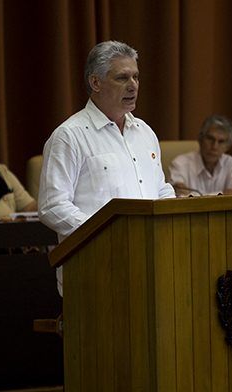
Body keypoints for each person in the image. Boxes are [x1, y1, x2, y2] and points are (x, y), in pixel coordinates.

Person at [38, 41, 175, 293]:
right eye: (122, 77)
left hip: (150, 266)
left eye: (135, 77)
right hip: (94, 272)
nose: (132, 85)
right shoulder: (70, 135)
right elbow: (52, 206)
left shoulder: (144, 132)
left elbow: (160, 189)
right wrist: (106, 232)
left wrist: (175, 211)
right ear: (95, 83)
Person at [169, 115, 232, 196]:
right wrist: (223, 194)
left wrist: (197, 196)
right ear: (200, 139)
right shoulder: (180, 163)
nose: (214, 146)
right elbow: (180, 197)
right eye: (210, 139)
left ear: (228, 146)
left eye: (221, 142)